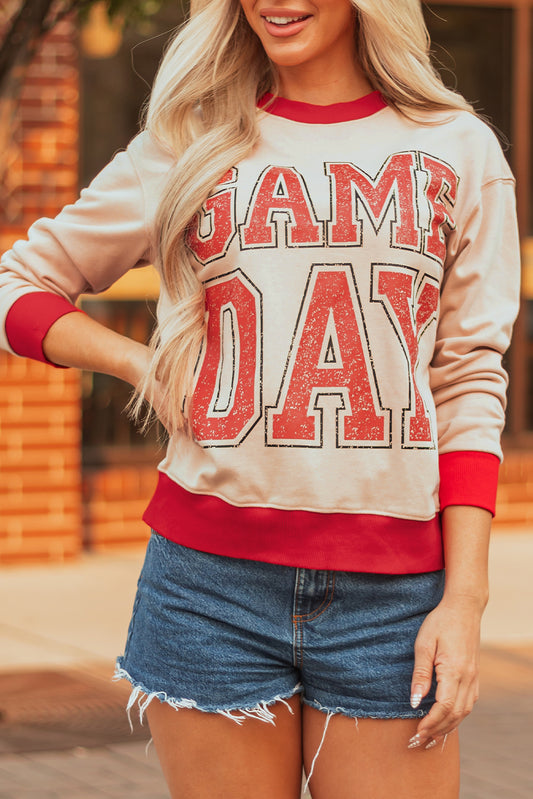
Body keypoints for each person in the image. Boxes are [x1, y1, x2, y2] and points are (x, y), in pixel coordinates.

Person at [0, 0, 520, 797]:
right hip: (208, 588)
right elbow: (18, 284)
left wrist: (465, 600)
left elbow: (468, 379)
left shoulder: (454, 148)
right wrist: (137, 364)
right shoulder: (189, 142)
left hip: (394, 599)